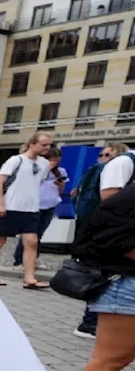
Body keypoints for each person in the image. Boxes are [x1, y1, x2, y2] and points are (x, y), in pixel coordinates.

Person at [74, 145, 135, 371]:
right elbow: (103, 232)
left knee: (118, 356)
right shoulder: (126, 182)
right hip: (126, 282)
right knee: (113, 357)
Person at [73, 143, 130, 338]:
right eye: (102, 154)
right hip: (113, 236)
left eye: (106, 154)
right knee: (105, 276)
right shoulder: (122, 164)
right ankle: (89, 323)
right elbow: (110, 202)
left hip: (113, 234)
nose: (103, 158)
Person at [0, 131, 54, 289]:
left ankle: (29, 277)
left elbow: (39, 182)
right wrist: (1, 204)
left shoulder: (44, 163)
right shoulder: (16, 160)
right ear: (32, 143)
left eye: (49, 145)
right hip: (10, 206)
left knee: (32, 242)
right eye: (44, 145)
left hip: (31, 208)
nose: (47, 148)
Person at [13, 147, 66, 267]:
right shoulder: (37, 170)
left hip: (51, 204)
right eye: (52, 160)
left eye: (57, 161)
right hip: (35, 205)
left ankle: (32, 259)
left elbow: (61, 190)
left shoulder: (60, 171)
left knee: (39, 234)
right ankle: (19, 259)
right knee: (29, 233)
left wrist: (60, 184)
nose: (54, 163)